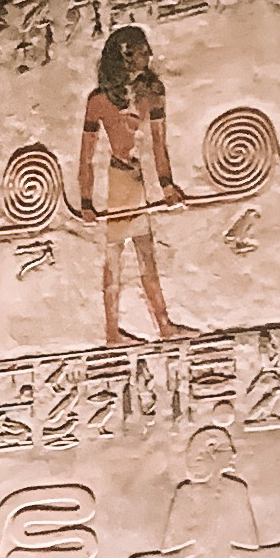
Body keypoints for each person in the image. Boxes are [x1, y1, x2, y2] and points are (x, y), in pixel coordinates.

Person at [79, 24, 183, 345]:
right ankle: (114, 331)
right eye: (141, 51)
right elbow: (87, 156)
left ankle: (161, 324)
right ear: (125, 56)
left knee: (144, 254)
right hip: (120, 179)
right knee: (117, 255)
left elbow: (158, 144)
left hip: (135, 178)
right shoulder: (98, 101)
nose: (148, 56)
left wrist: (166, 185)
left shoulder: (152, 91)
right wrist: (85, 200)